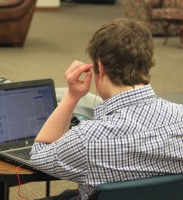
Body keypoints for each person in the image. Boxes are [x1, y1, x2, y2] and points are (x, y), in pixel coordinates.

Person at [30, 18, 183, 200]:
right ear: (147, 62)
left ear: (100, 67)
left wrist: (71, 97)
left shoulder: (87, 139)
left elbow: (39, 156)